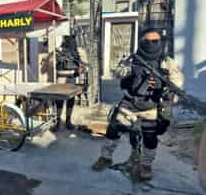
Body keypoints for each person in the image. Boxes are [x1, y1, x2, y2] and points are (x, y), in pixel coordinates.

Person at [91, 28, 184, 181]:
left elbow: (177, 82)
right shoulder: (133, 58)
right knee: (113, 130)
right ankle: (106, 157)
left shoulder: (166, 62)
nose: (151, 44)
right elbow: (118, 72)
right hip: (129, 103)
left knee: (150, 137)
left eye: (155, 41)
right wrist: (130, 71)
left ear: (160, 42)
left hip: (152, 106)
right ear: (141, 42)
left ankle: (146, 165)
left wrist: (166, 91)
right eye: (147, 41)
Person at [53, 35, 87, 131]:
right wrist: (75, 72)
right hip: (63, 80)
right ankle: (58, 122)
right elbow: (58, 69)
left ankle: (67, 121)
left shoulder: (76, 53)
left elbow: (81, 67)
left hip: (71, 80)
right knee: (60, 101)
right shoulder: (61, 52)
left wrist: (79, 70)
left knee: (69, 101)